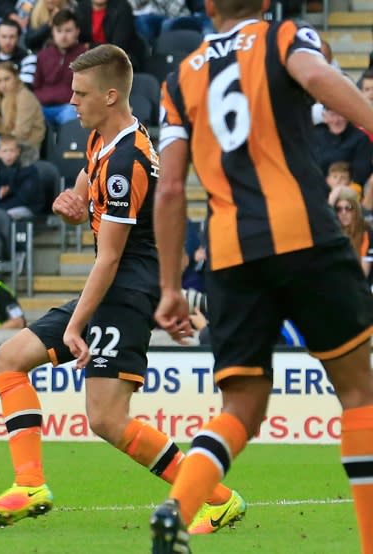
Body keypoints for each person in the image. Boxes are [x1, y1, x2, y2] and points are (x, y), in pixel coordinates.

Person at [0, 44, 244, 534]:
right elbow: (87, 177)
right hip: (114, 287)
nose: (71, 102)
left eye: (81, 93)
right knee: (9, 361)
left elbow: (111, 255)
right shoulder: (103, 140)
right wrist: (76, 198)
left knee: (107, 420)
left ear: (112, 95)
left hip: (125, 292)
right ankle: (29, 483)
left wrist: (77, 326)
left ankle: (215, 497)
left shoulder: (127, 163)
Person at [150, 0, 373, 550]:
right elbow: (318, 76)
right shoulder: (282, 37)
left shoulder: (179, 77)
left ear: (207, 6)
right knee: (359, 393)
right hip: (305, 237)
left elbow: (172, 187)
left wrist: (171, 286)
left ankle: (178, 508)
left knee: (241, 409)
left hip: (229, 256)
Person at [32, 9, 87, 126]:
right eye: (59, 31)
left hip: (70, 107)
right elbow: (36, 86)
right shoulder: (43, 55)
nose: (63, 36)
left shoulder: (85, 56)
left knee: (71, 113)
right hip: (44, 107)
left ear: (77, 32)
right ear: (53, 32)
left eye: (68, 31)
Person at [0, 62, 46, 152]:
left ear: (16, 77)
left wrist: (1, 145)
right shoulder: (3, 98)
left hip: (27, 148)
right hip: (10, 144)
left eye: (7, 79)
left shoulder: (24, 97)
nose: (3, 85)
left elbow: (22, 132)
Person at [0, 134, 43, 219]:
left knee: (4, 215)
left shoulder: (29, 170)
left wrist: (9, 190)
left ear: (18, 151)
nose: (8, 154)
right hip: (3, 206)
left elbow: (25, 197)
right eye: (5, 151)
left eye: (12, 151)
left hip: (29, 207)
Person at [0, 18, 37, 87]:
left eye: (12, 37)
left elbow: (25, 87)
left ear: (18, 38)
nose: (8, 41)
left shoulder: (29, 58)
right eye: (4, 36)